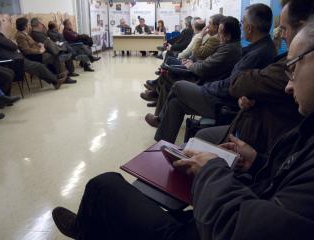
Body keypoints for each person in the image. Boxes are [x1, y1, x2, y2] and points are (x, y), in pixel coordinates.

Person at [52, 16, 314, 240]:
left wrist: (211, 169)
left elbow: (227, 77)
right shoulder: (304, 132)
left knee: (103, 184)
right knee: (173, 78)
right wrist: (257, 162)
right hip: (229, 193)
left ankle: (87, 226)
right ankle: (161, 129)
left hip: (206, 224)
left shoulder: (235, 47)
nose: (288, 83)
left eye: (292, 67)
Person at [149, 3, 276, 144]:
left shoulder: (257, 53)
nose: (242, 26)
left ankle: (160, 129)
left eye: (243, 22)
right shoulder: (260, 48)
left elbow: (232, 85)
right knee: (175, 101)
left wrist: (206, 88)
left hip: (224, 103)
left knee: (178, 86)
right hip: (221, 93)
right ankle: (162, 144)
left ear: (249, 27)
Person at [195, 0, 311, 154]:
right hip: (249, 125)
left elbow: (236, 83)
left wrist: (249, 91)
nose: (281, 35)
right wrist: (252, 96)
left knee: (179, 89)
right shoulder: (261, 50)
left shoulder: (274, 56)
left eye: (284, 29)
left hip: (257, 135)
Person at [0, 17, 67, 90]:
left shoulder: (25, 34)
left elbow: (32, 43)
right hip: (27, 57)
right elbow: (25, 50)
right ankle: (57, 79)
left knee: (51, 57)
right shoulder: (19, 35)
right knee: (46, 61)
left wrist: (39, 44)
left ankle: (57, 78)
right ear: (25, 26)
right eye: (28, 24)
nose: (29, 26)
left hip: (24, 57)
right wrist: (39, 51)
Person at [30, 18, 77, 82]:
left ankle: (68, 73)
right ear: (37, 25)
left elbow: (49, 41)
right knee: (60, 55)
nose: (43, 25)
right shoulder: (35, 34)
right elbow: (46, 43)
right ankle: (65, 77)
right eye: (41, 24)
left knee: (65, 49)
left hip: (50, 48)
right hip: (46, 51)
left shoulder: (40, 32)